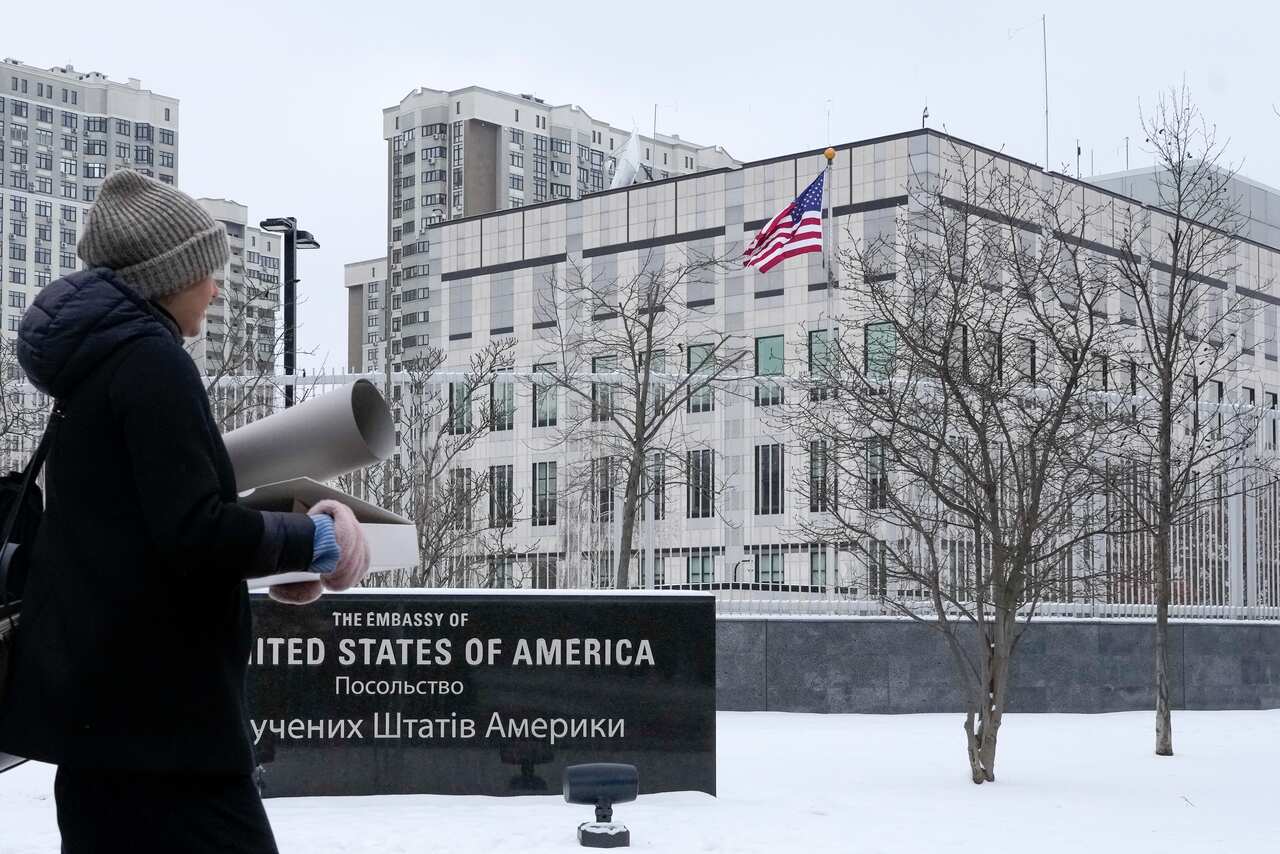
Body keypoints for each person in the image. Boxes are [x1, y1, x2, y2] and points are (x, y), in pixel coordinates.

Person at [0, 170, 370, 853]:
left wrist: (269, 551)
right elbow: (193, 532)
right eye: (206, 271)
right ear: (166, 276)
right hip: (166, 735)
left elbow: (135, 540)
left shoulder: (92, 370)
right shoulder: (152, 364)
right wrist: (317, 539)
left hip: (102, 726)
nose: (216, 287)